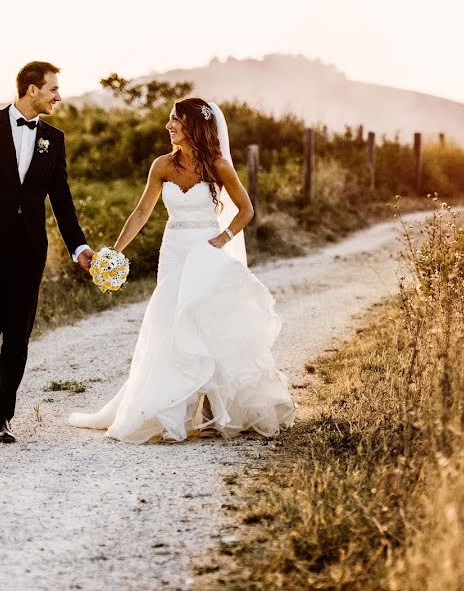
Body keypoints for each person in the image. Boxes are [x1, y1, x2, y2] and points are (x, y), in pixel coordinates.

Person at [69, 98, 295, 443]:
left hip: (206, 252)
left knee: (206, 326)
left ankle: (210, 413)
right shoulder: (161, 165)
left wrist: (223, 237)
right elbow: (142, 212)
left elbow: (246, 209)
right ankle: (173, 410)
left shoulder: (218, 165)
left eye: (175, 120)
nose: (168, 125)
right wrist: (114, 251)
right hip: (174, 251)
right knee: (170, 323)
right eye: (170, 120)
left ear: (193, 126)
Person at [0, 61, 94, 443]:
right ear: (31, 90)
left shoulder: (54, 139)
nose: (58, 96)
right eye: (53, 89)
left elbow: (62, 200)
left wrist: (80, 246)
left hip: (29, 246)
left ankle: (1, 413)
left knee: (19, 331)